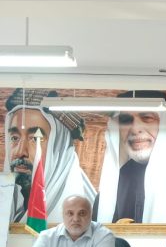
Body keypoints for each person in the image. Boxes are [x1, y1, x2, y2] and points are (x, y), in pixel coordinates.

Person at [95, 90, 166, 223]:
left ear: (163, 122)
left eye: (147, 118)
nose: (135, 129)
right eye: (126, 120)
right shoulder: (115, 184)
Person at [3, 89, 96, 223]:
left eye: (36, 139)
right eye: (15, 138)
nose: (20, 152)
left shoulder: (83, 217)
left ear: (59, 147)